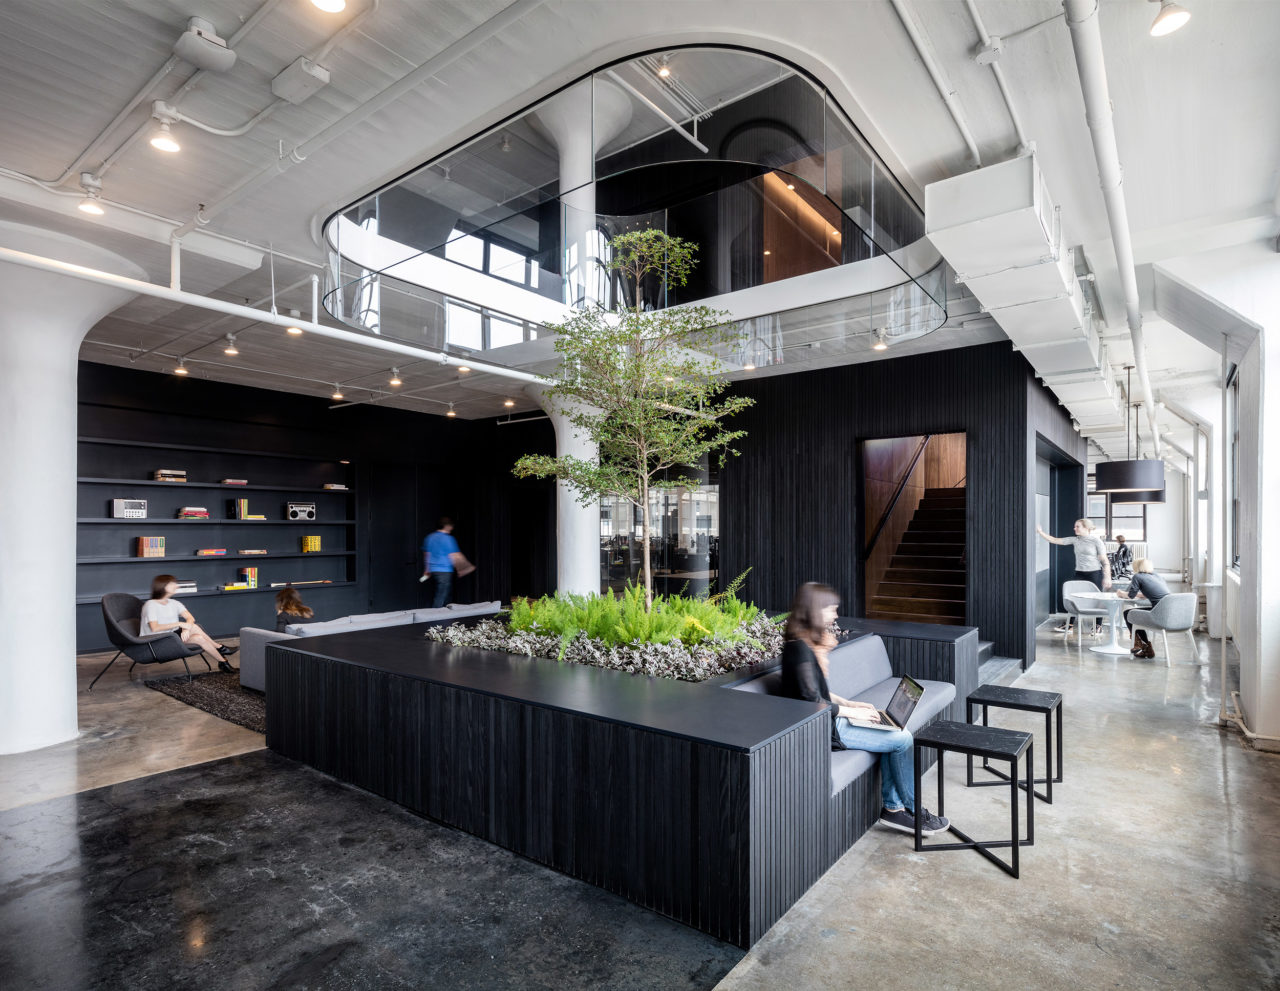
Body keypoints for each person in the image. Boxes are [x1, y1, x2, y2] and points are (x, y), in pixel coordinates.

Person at [779, 582, 949, 837]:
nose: (835, 615)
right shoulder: (800, 650)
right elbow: (812, 703)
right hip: (824, 730)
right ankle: (914, 812)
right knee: (902, 738)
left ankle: (893, 810)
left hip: (830, 720)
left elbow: (818, 692)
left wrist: (851, 704)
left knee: (894, 730)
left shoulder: (803, 644)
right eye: (831, 609)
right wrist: (853, 714)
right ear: (814, 609)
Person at [140, 574, 236, 673]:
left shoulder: (174, 603)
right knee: (193, 628)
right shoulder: (151, 605)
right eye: (172, 583)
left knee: (197, 634)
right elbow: (155, 628)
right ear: (163, 586)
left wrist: (186, 629)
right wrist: (180, 624)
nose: (176, 586)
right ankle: (220, 648)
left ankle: (223, 662)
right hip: (155, 642)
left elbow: (190, 618)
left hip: (171, 637)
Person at [1036, 519, 1111, 634]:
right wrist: (1040, 532)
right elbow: (1055, 540)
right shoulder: (1075, 540)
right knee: (1072, 598)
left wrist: (1107, 577)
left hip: (1094, 573)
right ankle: (1069, 625)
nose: (1074, 528)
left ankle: (1098, 626)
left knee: (1097, 599)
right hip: (1079, 573)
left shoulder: (1096, 541)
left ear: (1086, 528)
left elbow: (1104, 561)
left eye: (1077, 526)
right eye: (1075, 526)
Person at [421, 517, 475, 608]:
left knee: (438, 594)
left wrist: (427, 570)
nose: (452, 528)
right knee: (442, 596)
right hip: (444, 570)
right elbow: (454, 555)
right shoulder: (448, 539)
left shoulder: (429, 537)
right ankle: (436, 615)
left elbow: (427, 555)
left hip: (433, 570)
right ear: (447, 526)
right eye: (451, 526)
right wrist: (462, 569)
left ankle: (438, 613)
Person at [1121, 558, 1169, 658]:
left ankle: (1140, 644)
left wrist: (1121, 593)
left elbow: (1131, 595)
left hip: (1157, 615)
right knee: (1135, 615)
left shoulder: (1138, 576)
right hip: (1167, 613)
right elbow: (1151, 594)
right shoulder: (1157, 576)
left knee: (1128, 613)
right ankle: (1146, 647)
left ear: (1136, 567)